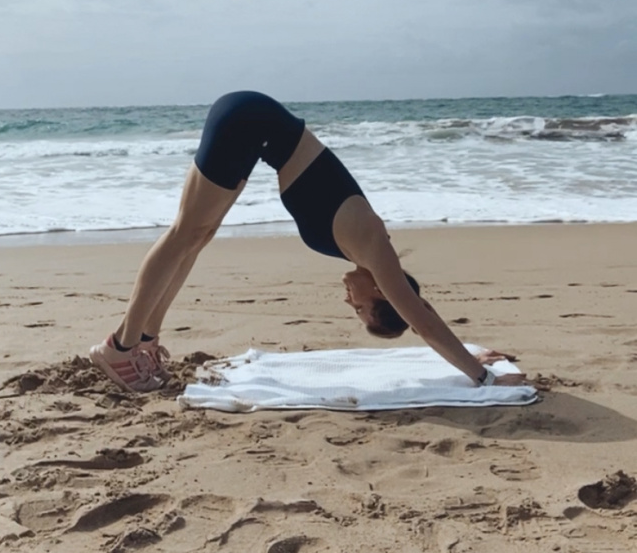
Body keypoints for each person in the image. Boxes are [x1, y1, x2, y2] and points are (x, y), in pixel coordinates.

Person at [90, 91, 526, 392]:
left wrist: (473, 352)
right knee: (185, 231)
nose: (348, 302)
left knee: (197, 236)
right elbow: (423, 322)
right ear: (380, 292)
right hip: (249, 123)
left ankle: (145, 338)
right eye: (359, 308)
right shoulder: (375, 250)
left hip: (253, 126)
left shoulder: (375, 258)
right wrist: (483, 378)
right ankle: (121, 347)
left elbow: (419, 311)